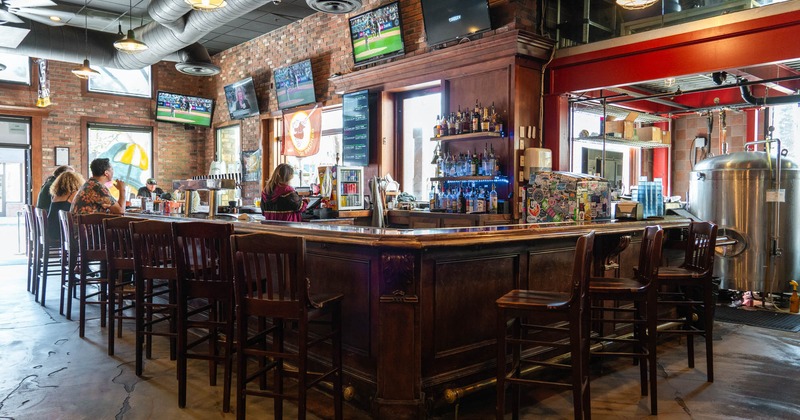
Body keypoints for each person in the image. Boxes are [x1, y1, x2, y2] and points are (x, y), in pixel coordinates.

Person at [46, 171, 85, 241]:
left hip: (52, 230)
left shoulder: (55, 196)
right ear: (77, 182)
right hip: (63, 232)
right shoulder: (74, 194)